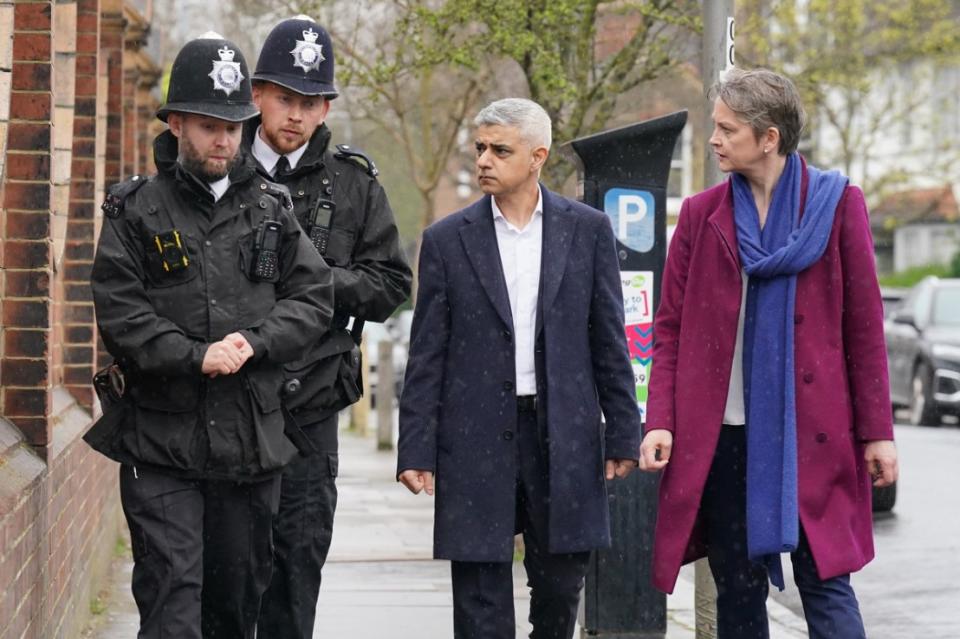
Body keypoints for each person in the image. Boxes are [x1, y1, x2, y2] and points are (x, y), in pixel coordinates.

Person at [85, 33, 333, 639]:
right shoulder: (135, 211)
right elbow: (121, 312)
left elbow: (313, 297)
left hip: (249, 444)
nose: (224, 140)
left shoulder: (272, 210)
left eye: (234, 126)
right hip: (161, 440)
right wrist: (195, 357)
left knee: (233, 605)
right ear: (175, 125)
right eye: (207, 126)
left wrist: (254, 342)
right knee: (172, 600)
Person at [639, 68, 899, 639]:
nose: (714, 140)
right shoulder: (702, 215)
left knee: (827, 585)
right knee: (737, 590)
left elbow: (864, 327)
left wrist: (878, 432)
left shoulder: (837, 206)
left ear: (768, 138)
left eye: (727, 130)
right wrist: (660, 419)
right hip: (725, 439)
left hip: (815, 436)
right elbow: (671, 329)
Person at [397, 98, 641, 639]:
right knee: (479, 599)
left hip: (564, 435)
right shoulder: (445, 241)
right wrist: (415, 446)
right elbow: (426, 355)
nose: (484, 159)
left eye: (499, 150)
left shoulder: (588, 230)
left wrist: (624, 431)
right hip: (474, 435)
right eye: (480, 148)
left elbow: (608, 338)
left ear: (537, 157)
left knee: (559, 591)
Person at [245, 16, 412, 639]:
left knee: (297, 554)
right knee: (230, 566)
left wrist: (315, 279)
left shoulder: (352, 183)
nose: (294, 114)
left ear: (326, 107)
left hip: (310, 401)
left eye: (309, 102)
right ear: (258, 92)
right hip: (227, 397)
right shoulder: (221, 167)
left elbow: (393, 285)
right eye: (284, 97)